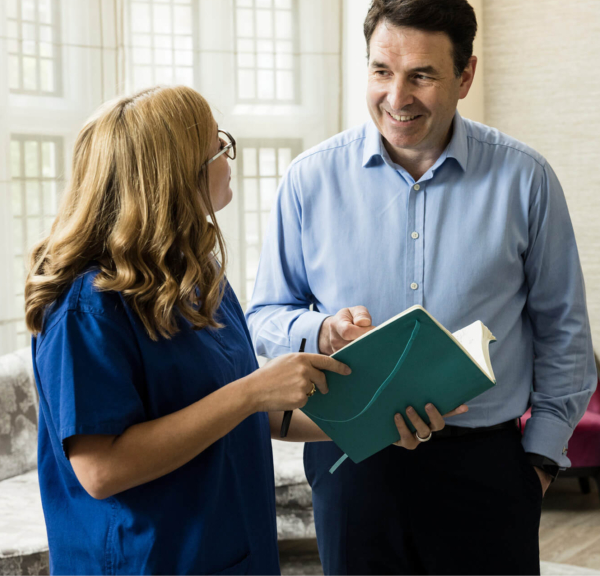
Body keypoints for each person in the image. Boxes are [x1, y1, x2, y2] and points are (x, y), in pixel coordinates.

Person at [246, 0, 596, 575]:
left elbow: (563, 329)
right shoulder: (308, 180)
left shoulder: (527, 180)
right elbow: (264, 319)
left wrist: (538, 463)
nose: (397, 96)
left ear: (465, 76)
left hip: (486, 471)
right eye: (382, 71)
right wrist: (322, 329)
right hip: (351, 466)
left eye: (422, 76)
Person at [25, 85, 355, 575]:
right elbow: (101, 469)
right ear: (176, 177)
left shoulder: (195, 276)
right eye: (217, 146)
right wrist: (252, 391)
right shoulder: (86, 307)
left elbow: (242, 412)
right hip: (150, 561)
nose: (228, 157)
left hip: (230, 552)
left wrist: (374, 419)